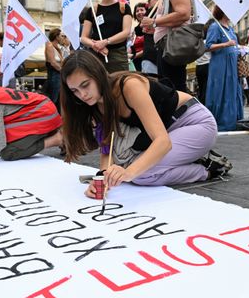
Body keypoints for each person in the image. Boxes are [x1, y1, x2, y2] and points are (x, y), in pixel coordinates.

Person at [60, 50, 224, 198]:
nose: (82, 94)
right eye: (74, 91)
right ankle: (183, 159)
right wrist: (102, 179)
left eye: (85, 85)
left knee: (142, 174)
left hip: (194, 123)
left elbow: (162, 141)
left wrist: (129, 173)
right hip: (167, 129)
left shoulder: (129, 86)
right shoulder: (96, 104)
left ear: (98, 75)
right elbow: (107, 147)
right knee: (126, 168)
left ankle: (207, 169)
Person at [141, 0, 193, 92]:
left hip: (171, 45)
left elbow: (183, 13)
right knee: (170, 87)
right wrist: (156, 27)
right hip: (167, 45)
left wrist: (154, 22)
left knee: (173, 89)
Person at [81, 0, 132, 73]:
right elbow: (83, 38)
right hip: (96, 55)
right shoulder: (92, 10)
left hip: (118, 56)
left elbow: (126, 32)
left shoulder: (124, 7)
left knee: (119, 86)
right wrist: (96, 46)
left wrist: (105, 42)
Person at [204, 6, 243, 131]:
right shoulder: (215, 27)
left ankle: (233, 119)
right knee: (220, 89)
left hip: (232, 64)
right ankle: (219, 121)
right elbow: (208, 46)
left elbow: (233, 45)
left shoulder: (230, 28)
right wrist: (226, 44)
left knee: (232, 89)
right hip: (220, 64)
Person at [141, 0, 162, 75]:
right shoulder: (149, 12)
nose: (147, 4)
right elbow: (139, 29)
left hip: (164, 56)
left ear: (159, 0)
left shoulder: (166, 13)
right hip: (151, 56)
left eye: (149, 0)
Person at [195, 19, 214, 105]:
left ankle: (203, 104)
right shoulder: (210, 43)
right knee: (209, 89)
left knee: (202, 88)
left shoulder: (199, 42)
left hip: (199, 67)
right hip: (208, 65)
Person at [44, 28, 64, 109]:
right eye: (61, 36)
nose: (62, 38)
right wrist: (63, 71)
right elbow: (53, 63)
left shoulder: (57, 48)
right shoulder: (49, 45)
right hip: (54, 76)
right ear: (56, 36)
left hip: (58, 76)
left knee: (59, 99)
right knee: (54, 99)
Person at [130, 2, 147, 72]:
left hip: (148, 60)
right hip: (136, 63)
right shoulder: (135, 29)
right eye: (137, 11)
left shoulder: (151, 27)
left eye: (142, 10)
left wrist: (134, 55)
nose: (139, 12)